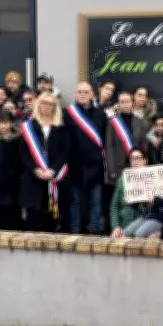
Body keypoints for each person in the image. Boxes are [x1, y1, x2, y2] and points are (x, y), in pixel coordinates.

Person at [19, 93, 70, 232]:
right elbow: (23, 153)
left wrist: (53, 170)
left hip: (53, 177)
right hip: (33, 177)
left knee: (51, 217)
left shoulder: (61, 127)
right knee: (32, 215)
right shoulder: (28, 127)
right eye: (44, 103)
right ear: (38, 104)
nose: (47, 106)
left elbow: (65, 151)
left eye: (51, 104)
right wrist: (35, 169)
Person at [64, 82, 108, 234]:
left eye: (86, 92)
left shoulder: (101, 114)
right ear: (75, 95)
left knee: (96, 201)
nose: (82, 94)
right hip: (74, 165)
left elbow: (104, 140)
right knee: (74, 201)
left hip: (95, 165)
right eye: (79, 92)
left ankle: (95, 229)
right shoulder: (67, 114)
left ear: (92, 95)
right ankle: (75, 229)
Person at [110, 148, 150, 237]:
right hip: (124, 224)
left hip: (144, 224)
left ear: (145, 160)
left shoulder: (151, 179)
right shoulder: (122, 180)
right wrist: (116, 226)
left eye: (138, 158)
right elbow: (114, 206)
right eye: (133, 159)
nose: (136, 162)